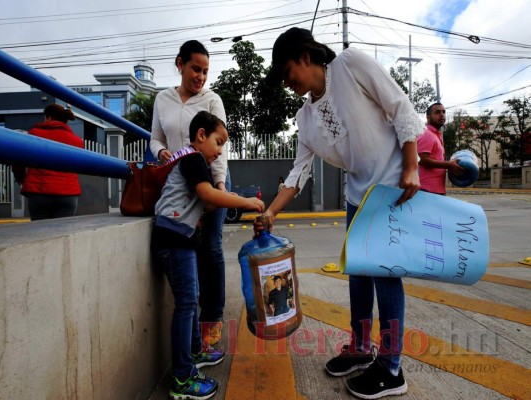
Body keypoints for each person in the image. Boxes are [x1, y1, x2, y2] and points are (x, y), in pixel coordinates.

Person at [257, 27, 425, 399]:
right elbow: (298, 173)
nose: (288, 84)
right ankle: (362, 349)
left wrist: (411, 165)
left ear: (305, 56)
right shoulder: (305, 119)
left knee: (384, 275)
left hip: (389, 190)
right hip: (357, 197)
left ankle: (392, 367)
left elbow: (400, 106)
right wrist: (270, 213)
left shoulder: (351, 64)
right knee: (359, 276)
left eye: (288, 74)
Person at [151, 111, 264, 400]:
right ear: (201, 135)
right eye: (219, 142)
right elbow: (209, 196)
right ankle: (181, 378)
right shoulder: (192, 159)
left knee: (191, 299)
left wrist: (230, 198)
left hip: (180, 238)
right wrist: (245, 201)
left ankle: (193, 354)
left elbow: (210, 204)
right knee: (187, 304)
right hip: (173, 238)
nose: (220, 151)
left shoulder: (194, 160)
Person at [150, 39, 229, 346]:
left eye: (206, 71)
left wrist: (219, 185)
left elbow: (221, 145)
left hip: (211, 180)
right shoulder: (162, 99)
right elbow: (155, 139)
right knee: (189, 251)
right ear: (180, 64)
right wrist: (162, 154)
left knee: (210, 249)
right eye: (196, 69)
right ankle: (193, 329)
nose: (201, 77)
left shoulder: (212, 99)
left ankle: (213, 317)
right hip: (179, 184)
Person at [16, 104, 83, 220]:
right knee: (64, 234)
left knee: (41, 233)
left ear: (49, 117)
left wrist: (23, 180)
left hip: (38, 191)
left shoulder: (34, 134)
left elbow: (18, 160)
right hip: (67, 193)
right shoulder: (77, 141)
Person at [417, 102, 464, 194]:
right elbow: (422, 160)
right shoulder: (426, 134)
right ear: (428, 117)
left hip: (435, 190)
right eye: (437, 112)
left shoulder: (436, 135)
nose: (442, 115)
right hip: (426, 190)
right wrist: (448, 165)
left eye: (443, 112)